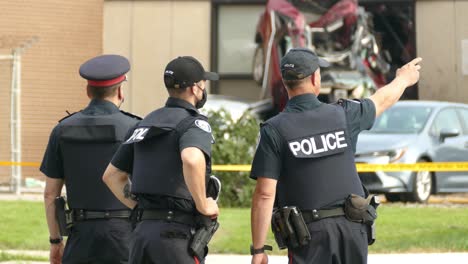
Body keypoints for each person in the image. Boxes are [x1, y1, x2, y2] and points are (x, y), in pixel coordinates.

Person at [250, 48, 421, 264]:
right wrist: (403, 79)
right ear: (315, 78)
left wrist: (258, 250)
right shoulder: (345, 114)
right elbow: (381, 100)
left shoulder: (274, 129)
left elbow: (265, 194)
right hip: (352, 230)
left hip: (308, 236)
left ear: (285, 83)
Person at [103, 56, 220, 264]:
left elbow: (112, 176)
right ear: (194, 89)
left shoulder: (144, 123)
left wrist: (142, 209)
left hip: (142, 236)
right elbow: (192, 159)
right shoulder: (193, 124)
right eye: (203, 85)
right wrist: (203, 205)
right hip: (175, 239)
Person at [41, 54, 141, 264]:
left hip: (80, 237)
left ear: (88, 91)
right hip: (125, 238)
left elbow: (51, 194)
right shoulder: (134, 128)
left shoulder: (61, 130)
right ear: (121, 91)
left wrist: (55, 241)